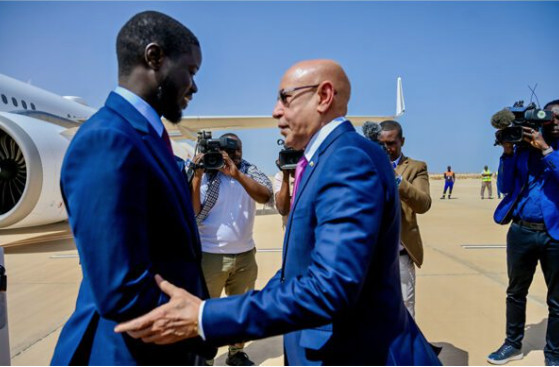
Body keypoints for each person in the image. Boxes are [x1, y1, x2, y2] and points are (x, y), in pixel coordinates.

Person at [115, 59, 441, 366]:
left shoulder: (346, 161)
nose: (275, 112)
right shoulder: (327, 158)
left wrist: (204, 318)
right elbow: (296, 271)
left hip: (352, 352)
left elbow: (330, 286)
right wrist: (214, 314)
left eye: (285, 98)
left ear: (324, 96)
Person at [50, 11, 216, 365]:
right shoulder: (108, 139)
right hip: (124, 353)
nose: (194, 86)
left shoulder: (145, 137)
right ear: (154, 57)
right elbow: (121, 290)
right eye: (191, 70)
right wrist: (205, 322)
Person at [191, 133, 272, 366]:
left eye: (238, 151)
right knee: (205, 312)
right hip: (210, 255)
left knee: (242, 310)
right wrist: (197, 177)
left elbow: (265, 196)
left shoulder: (249, 171)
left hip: (245, 254)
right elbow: (193, 211)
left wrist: (236, 174)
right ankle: (205, 358)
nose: (235, 156)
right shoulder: (205, 172)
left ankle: (236, 354)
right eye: (231, 151)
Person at [488, 100, 559, 366]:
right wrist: (507, 151)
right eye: (551, 118)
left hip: (555, 235)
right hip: (521, 231)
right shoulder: (520, 150)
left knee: (557, 301)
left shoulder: (549, 149)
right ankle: (512, 343)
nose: (555, 122)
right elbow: (506, 187)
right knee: (516, 292)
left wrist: (546, 150)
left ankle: (554, 354)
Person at [378, 120, 432, 319]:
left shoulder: (416, 167)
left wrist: (396, 179)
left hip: (400, 253)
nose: (387, 148)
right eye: (382, 143)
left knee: (405, 308)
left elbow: (423, 203)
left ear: (402, 141)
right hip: (371, 254)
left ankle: (407, 349)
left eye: (392, 143)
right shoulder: (366, 164)